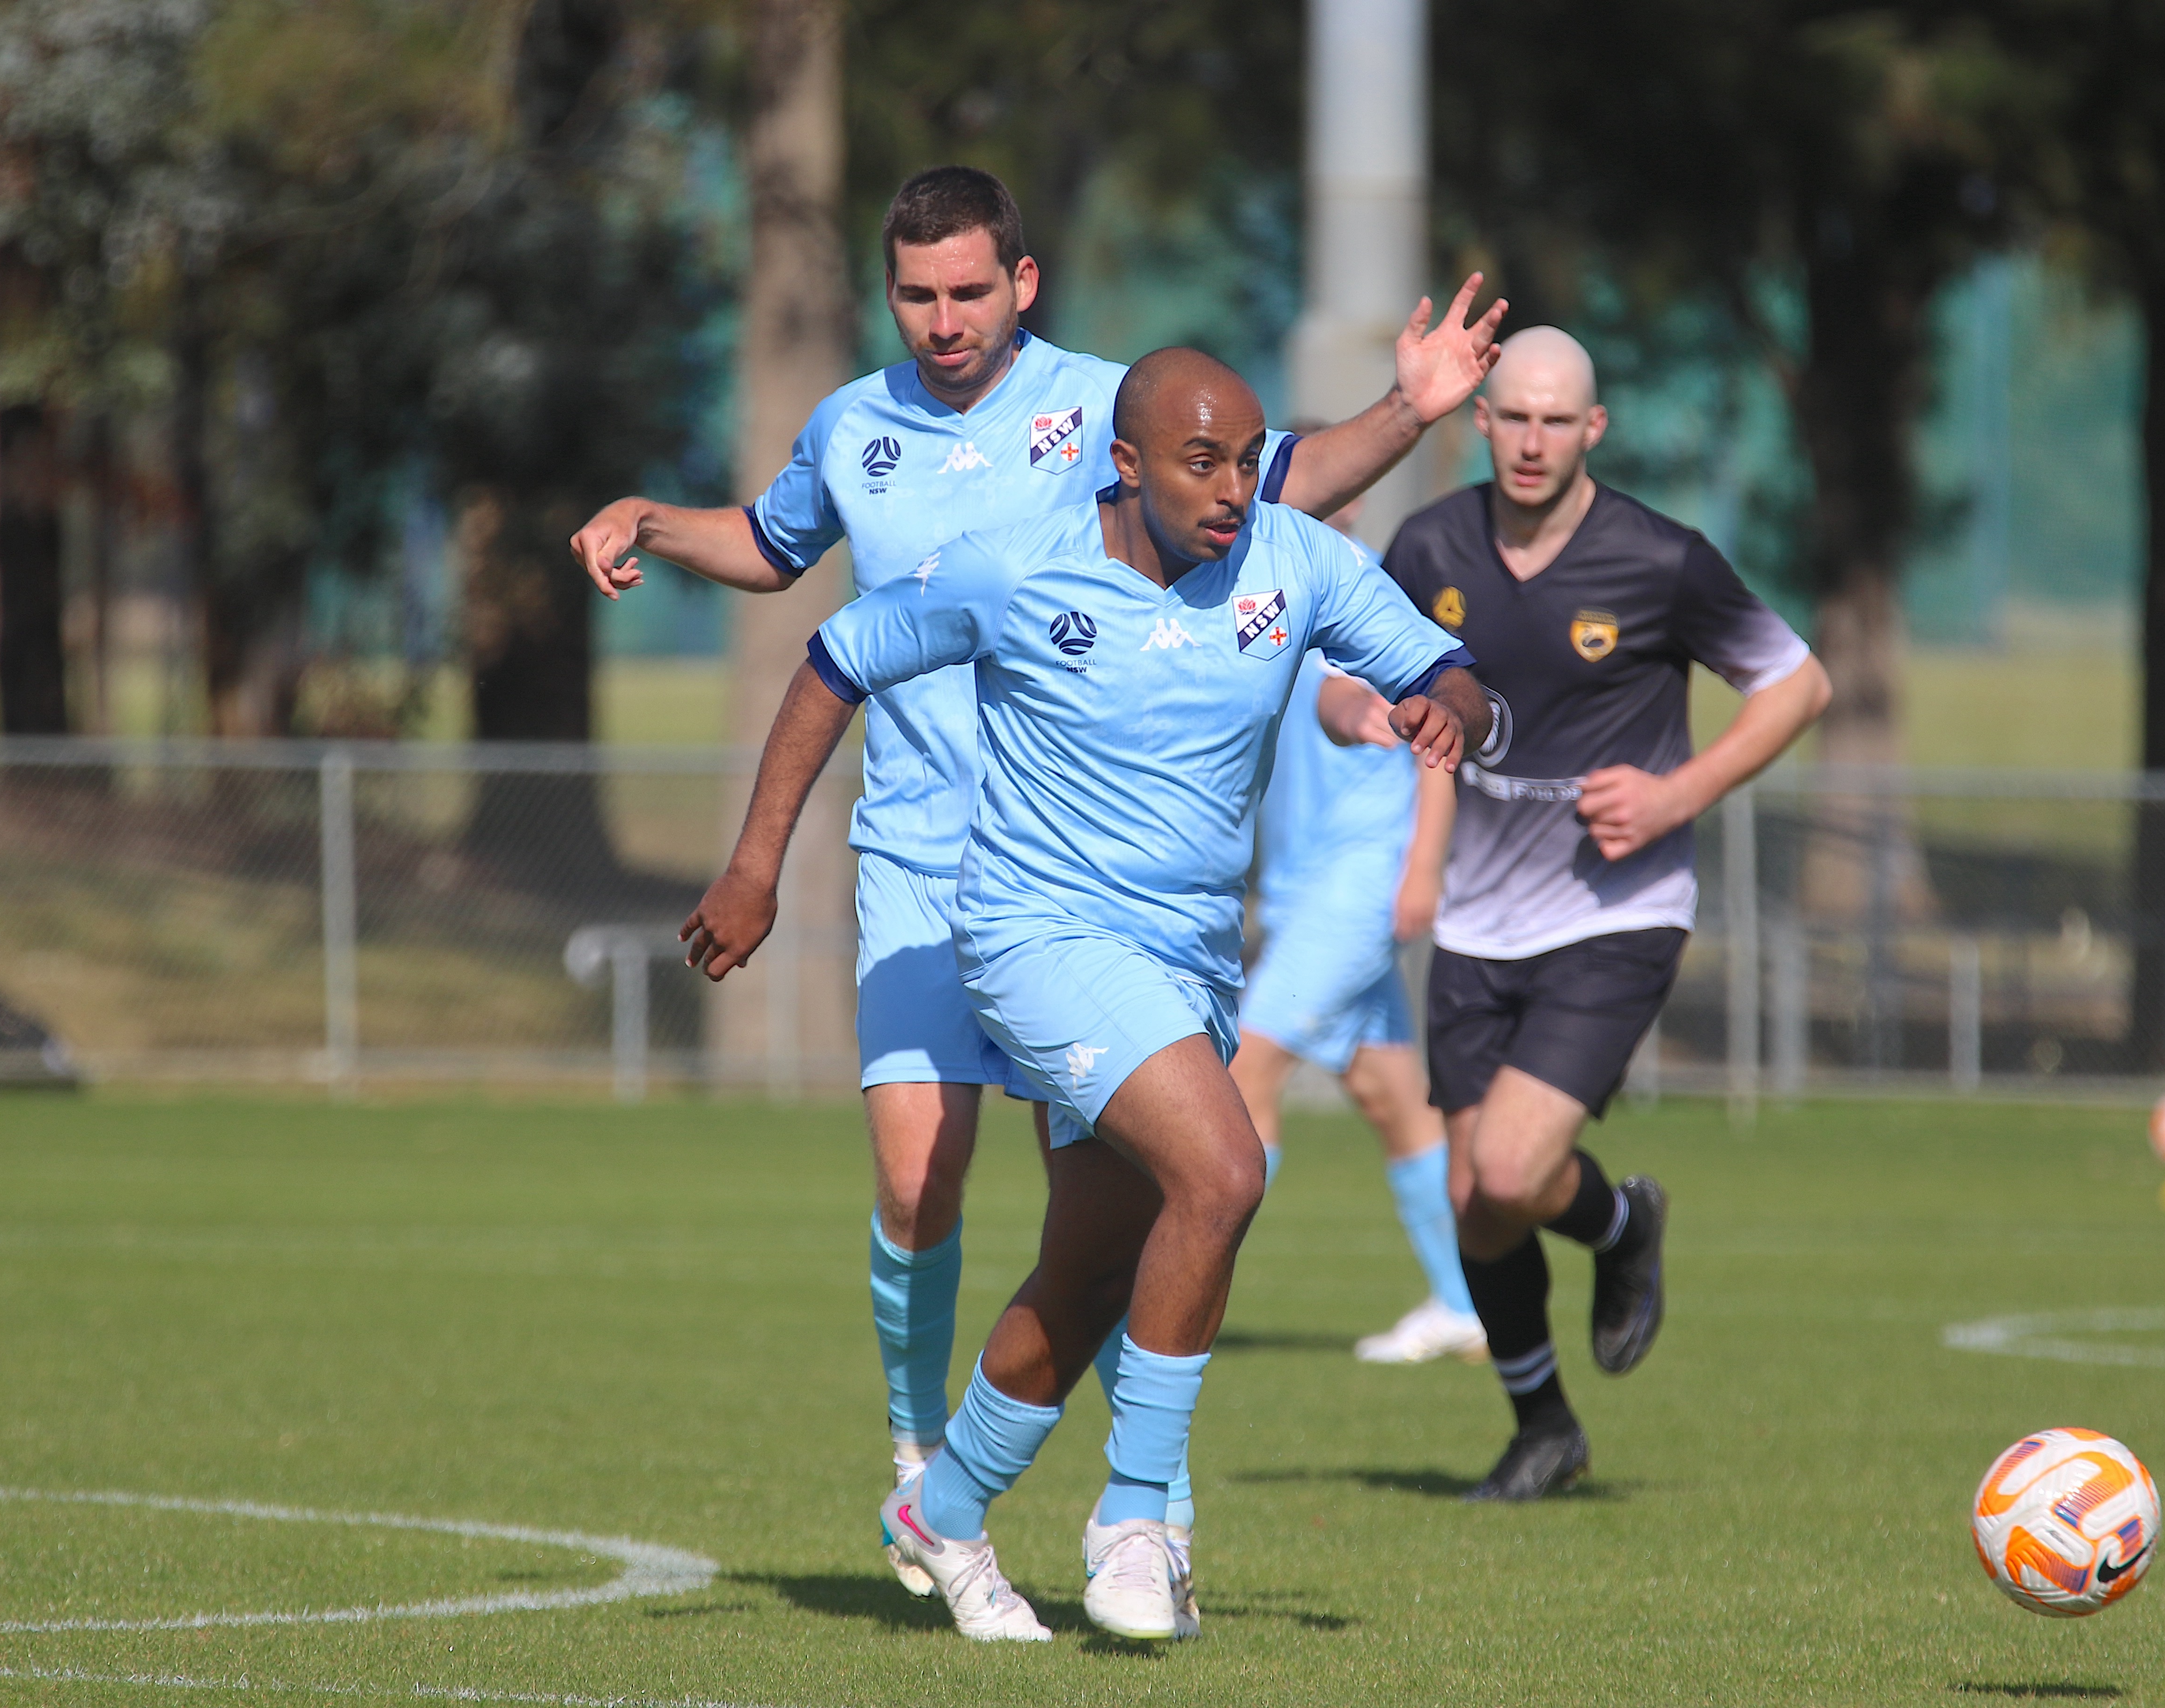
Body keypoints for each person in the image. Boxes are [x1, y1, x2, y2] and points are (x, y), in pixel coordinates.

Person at [568, 166, 1505, 1588]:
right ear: (893, 297)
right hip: (937, 858)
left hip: (1119, 877)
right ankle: (951, 1462)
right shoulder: (857, 426)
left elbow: (1265, 490)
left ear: (1024, 286)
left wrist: (1410, 414)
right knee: (935, 1169)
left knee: (1113, 1231)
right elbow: (770, 554)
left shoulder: (1110, 409)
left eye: (968, 291)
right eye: (916, 295)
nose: (943, 320)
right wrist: (650, 519)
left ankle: (1045, 1501)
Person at [1383, 326, 1831, 1500]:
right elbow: (1373, 678)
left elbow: (1799, 684)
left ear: (1593, 430)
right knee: (1472, 1199)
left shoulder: (1658, 559)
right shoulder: (1428, 544)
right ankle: (1543, 1427)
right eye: (1510, 417)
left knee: (1518, 1168)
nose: (1530, 441)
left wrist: (1676, 791)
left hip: (1613, 910)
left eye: (1555, 420)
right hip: (1477, 925)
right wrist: (1354, 724)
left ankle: (1620, 1221)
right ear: (1478, 424)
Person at [1227, 485, 1485, 1367]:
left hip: (1361, 882)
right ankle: (1467, 1303)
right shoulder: (1247, 595)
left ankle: (1177, 1281)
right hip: (1307, 889)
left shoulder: (1365, 593)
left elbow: (1422, 729)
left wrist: (1423, 868)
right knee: (1392, 1099)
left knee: (1242, 1070)